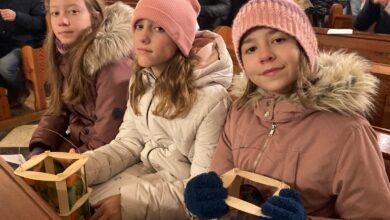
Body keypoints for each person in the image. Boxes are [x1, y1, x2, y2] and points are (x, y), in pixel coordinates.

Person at [184, 0, 390, 219]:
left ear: (305, 47)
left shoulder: (349, 132)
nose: (264, 55)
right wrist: (205, 198)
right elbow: (221, 177)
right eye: (251, 48)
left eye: (278, 39)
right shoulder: (240, 112)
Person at [79, 0, 233, 219]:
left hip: (182, 200)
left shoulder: (212, 100)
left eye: (159, 28)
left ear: (180, 38)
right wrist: (84, 167)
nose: (143, 36)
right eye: (139, 26)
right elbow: (128, 143)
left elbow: (202, 189)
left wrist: (131, 205)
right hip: (145, 177)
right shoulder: (142, 78)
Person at [28, 0, 134, 158]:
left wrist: (70, 161)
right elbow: (58, 107)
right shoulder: (65, 50)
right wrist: (40, 146)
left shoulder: (113, 66)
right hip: (81, 141)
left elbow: (109, 135)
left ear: (95, 15)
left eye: (73, 12)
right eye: (55, 13)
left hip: (109, 153)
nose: (62, 22)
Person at [0, 0, 46, 107]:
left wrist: (17, 17)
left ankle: (20, 91)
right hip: (3, 46)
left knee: (4, 66)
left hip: (25, 46)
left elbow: (41, 24)